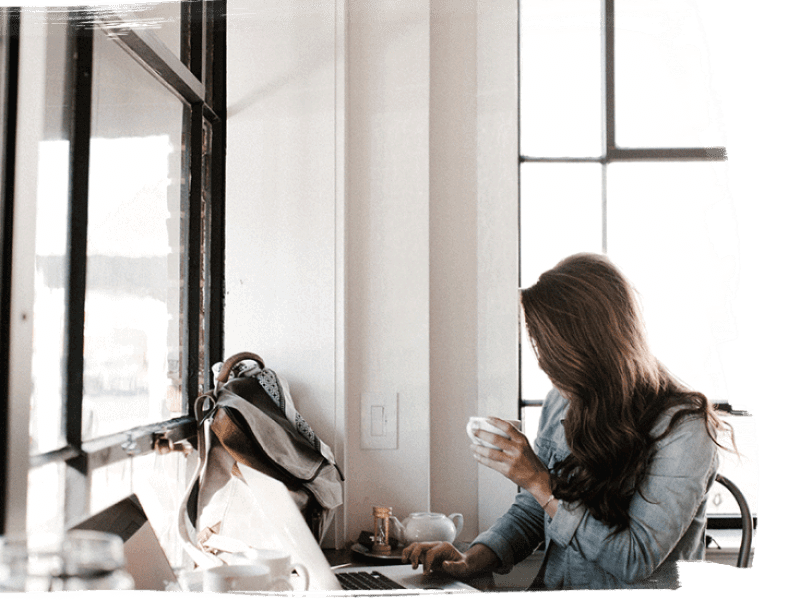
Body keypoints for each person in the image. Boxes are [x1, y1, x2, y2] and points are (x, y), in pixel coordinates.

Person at [402, 252, 730, 590]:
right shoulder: (562, 402)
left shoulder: (685, 431)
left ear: (593, 348)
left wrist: (541, 483)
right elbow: (534, 510)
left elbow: (635, 559)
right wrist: (473, 557)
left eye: (553, 353)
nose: (544, 365)